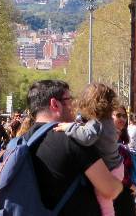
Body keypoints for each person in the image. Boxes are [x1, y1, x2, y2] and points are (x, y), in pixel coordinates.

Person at [20, 79, 122, 215]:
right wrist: (121, 184)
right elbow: (110, 189)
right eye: (69, 99)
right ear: (55, 104)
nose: (73, 104)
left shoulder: (20, 142)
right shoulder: (73, 140)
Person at [57, 82, 125, 216]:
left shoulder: (97, 123)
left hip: (110, 169)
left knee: (104, 203)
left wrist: (68, 127)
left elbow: (86, 137)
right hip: (116, 166)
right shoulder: (106, 120)